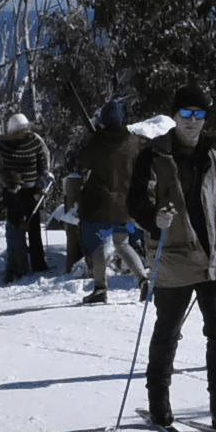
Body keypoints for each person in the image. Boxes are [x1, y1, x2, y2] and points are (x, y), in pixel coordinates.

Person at [141, 84, 216, 432]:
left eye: (199, 114)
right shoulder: (153, 156)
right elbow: (136, 201)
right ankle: (159, 401)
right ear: (173, 117)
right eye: (185, 114)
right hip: (173, 258)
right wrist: (152, 219)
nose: (192, 121)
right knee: (168, 332)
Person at [72, 98, 150, 304]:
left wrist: (94, 139)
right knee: (122, 244)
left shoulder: (97, 142)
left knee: (97, 246)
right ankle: (143, 280)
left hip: (99, 205)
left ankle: (100, 288)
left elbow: (82, 161)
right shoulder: (134, 141)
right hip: (125, 203)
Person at [0, 111, 54, 282]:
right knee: (15, 228)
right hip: (11, 191)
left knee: (34, 228)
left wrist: (46, 174)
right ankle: (17, 266)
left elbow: (41, 163)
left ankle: (39, 264)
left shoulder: (34, 142)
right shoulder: (3, 143)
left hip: (32, 190)